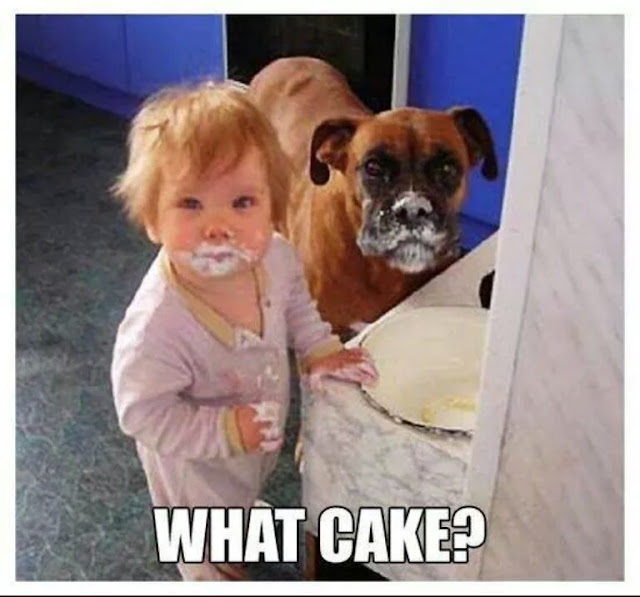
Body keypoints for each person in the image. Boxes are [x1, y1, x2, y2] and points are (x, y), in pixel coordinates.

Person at [110, 80, 378, 581]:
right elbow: (142, 413)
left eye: (242, 202)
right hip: (193, 473)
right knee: (208, 547)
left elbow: (298, 306)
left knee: (241, 492)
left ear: (274, 207)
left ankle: (240, 513)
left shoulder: (277, 255)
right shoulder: (156, 329)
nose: (219, 226)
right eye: (191, 204)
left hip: (251, 447)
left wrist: (321, 349)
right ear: (151, 218)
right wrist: (227, 430)